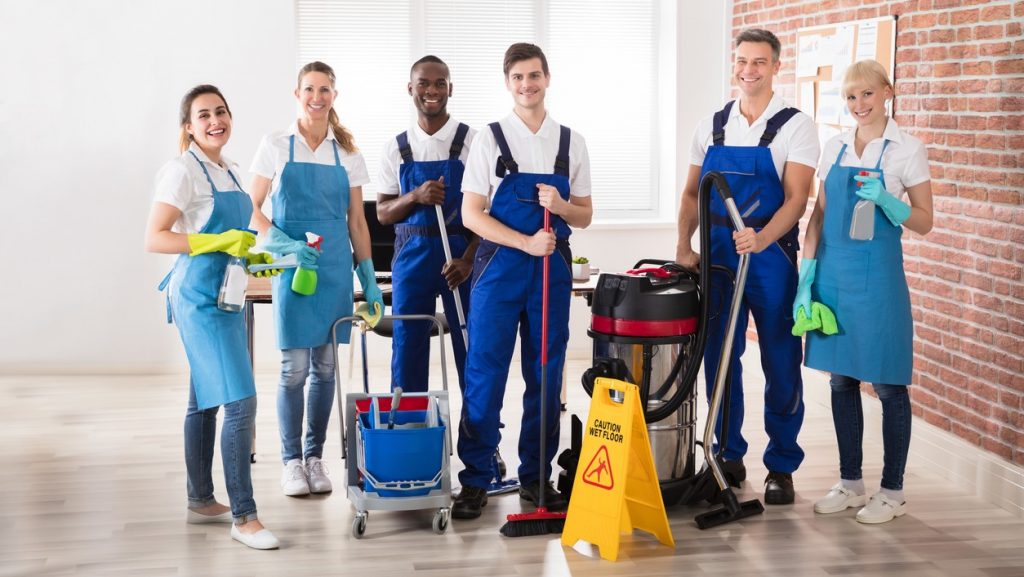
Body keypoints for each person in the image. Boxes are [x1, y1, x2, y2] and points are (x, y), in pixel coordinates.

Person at [675, 28, 820, 504]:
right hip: (718, 261)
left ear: (776, 66)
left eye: (759, 62)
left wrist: (760, 239)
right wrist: (683, 244)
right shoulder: (712, 125)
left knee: (780, 361)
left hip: (770, 258)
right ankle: (726, 455)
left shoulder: (795, 125)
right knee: (719, 359)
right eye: (741, 61)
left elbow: (797, 200)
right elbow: (693, 193)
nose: (748, 70)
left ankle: (781, 464)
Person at [453, 42, 593, 520]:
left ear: (547, 78)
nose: (527, 85)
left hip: (551, 268)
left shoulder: (571, 142)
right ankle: (475, 479)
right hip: (499, 267)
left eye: (534, 76)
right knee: (485, 372)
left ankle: (536, 478)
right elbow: (472, 215)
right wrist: (524, 242)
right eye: (517, 78)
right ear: (507, 82)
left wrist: (562, 207)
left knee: (546, 372)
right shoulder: (488, 139)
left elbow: (586, 214)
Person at [797, 59, 932, 524]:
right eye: (851, 97)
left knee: (889, 384)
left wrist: (889, 201)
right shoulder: (833, 146)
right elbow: (817, 214)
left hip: (877, 277)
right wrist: (807, 275)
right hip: (832, 272)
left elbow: (925, 221)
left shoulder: (906, 150)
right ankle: (850, 482)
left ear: (887, 93)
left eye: (867, 95)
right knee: (841, 379)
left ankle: (892, 491)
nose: (859, 105)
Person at [145, 85, 279, 550]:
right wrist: (215, 243)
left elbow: (243, 234)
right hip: (197, 298)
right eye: (203, 115)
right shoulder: (181, 171)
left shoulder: (233, 172)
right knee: (241, 401)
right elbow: (156, 238)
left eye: (221, 111)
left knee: (203, 400)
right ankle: (245, 516)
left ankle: (201, 498)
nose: (215, 120)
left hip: (227, 293)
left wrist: (267, 254)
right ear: (188, 126)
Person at [248, 61, 384, 497]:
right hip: (293, 267)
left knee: (325, 368)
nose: (317, 96)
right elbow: (250, 208)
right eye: (309, 89)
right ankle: (290, 461)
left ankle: (314, 457)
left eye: (325, 89)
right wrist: (283, 244)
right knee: (294, 368)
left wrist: (368, 276)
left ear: (334, 96)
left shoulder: (347, 153)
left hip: (332, 271)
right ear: (297, 94)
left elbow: (357, 222)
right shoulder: (275, 145)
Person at [376, 55, 477, 394]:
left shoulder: (473, 143)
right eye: (424, 83)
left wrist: (468, 260)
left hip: (460, 256)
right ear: (410, 89)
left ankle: (478, 440)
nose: (431, 90)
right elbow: (383, 213)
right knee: (407, 345)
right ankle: (408, 431)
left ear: (451, 88)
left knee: (471, 344)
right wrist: (415, 197)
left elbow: (488, 212)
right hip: (412, 255)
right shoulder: (397, 147)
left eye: (439, 83)